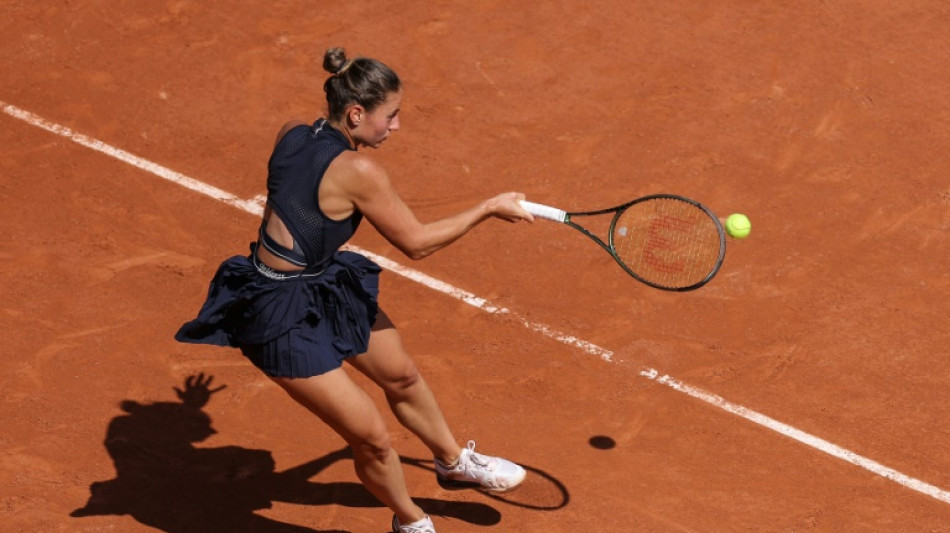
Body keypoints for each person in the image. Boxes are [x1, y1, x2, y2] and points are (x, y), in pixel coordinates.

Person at [175, 46, 533, 533]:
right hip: (279, 315)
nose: (396, 127)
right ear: (357, 112)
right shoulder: (360, 172)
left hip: (319, 282)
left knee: (402, 375)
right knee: (372, 439)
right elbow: (417, 243)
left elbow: (293, 205)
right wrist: (489, 207)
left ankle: (452, 462)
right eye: (392, 116)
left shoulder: (292, 134)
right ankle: (411, 522)